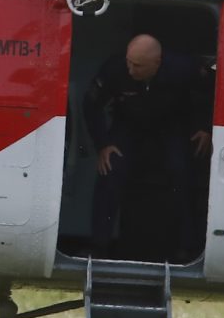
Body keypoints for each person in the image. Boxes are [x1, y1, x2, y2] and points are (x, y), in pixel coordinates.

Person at [84, 33, 214, 262]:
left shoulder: (183, 67)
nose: (132, 70)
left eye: (139, 66)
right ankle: (99, 246)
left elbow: (213, 91)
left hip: (172, 123)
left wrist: (205, 127)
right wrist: (102, 144)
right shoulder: (115, 69)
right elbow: (91, 105)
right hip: (129, 123)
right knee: (110, 169)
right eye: (129, 63)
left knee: (182, 170)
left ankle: (188, 247)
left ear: (157, 63)